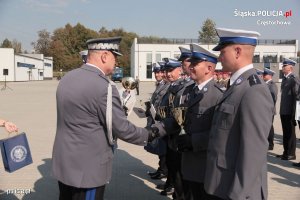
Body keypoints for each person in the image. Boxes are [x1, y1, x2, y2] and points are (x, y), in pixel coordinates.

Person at [51, 37, 160, 200]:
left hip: (65, 163)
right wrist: (151, 133)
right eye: (114, 57)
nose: (115, 62)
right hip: (88, 169)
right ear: (104, 56)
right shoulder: (104, 86)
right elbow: (122, 129)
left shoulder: (67, 78)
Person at [204, 28, 274, 200]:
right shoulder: (237, 85)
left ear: (237, 51)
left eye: (222, 51)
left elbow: (254, 151)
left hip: (235, 190)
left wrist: (238, 194)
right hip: (220, 183)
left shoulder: (253, 90)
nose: (219, 57)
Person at [177, 44, 223, 199]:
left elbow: (220, 132)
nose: (190, 67)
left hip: (204, 167)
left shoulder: (218, 96)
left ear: (209, 68)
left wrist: (193, 141)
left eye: (195, 64)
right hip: (188, 163)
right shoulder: (189, 91)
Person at [277, 58, 299, 160]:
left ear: (290, 68)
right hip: (284, 111)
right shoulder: (285, 79)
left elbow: (296, 96)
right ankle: (286, 152)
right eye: (283, 66)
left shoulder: (294, 79)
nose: (282, 68)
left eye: (284, 66)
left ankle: (291, 153)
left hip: (290, 111)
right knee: (285, 132)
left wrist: (295, 112)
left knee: (290, 133)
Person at [262, 68, 278, 150]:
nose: (263, 76)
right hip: (264, 110)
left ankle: (270, 144)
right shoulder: (264, 84)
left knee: (269, 127)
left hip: (269, 110)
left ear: (269, 76)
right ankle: (266, 142)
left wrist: (268, 108)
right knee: (266, 127)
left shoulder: (272, 85)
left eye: (265, 75)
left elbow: (273, 98)